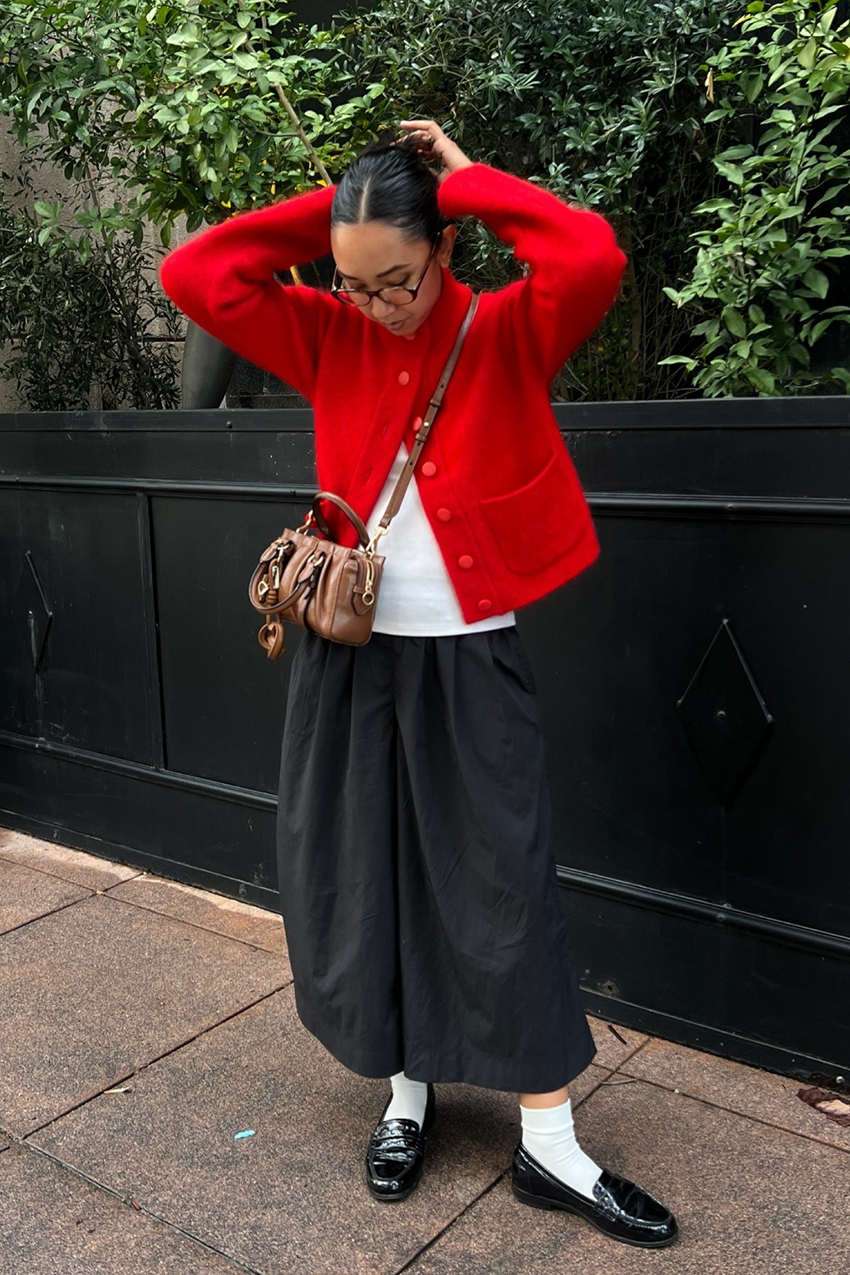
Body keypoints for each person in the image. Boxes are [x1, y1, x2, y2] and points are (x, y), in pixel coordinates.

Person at [158, 118, 678, 1249]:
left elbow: (589, 254)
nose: (378, 306)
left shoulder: (508, 328)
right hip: (349, 657)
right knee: (365, 875)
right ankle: (406, 1095)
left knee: (505, 885)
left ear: (443, 248)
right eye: (354, 285)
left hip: (470, 656)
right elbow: (193, 273)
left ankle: (550, 1142)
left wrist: (463, 185)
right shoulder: (326, 331)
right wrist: (342, 212)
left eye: (397, 279)